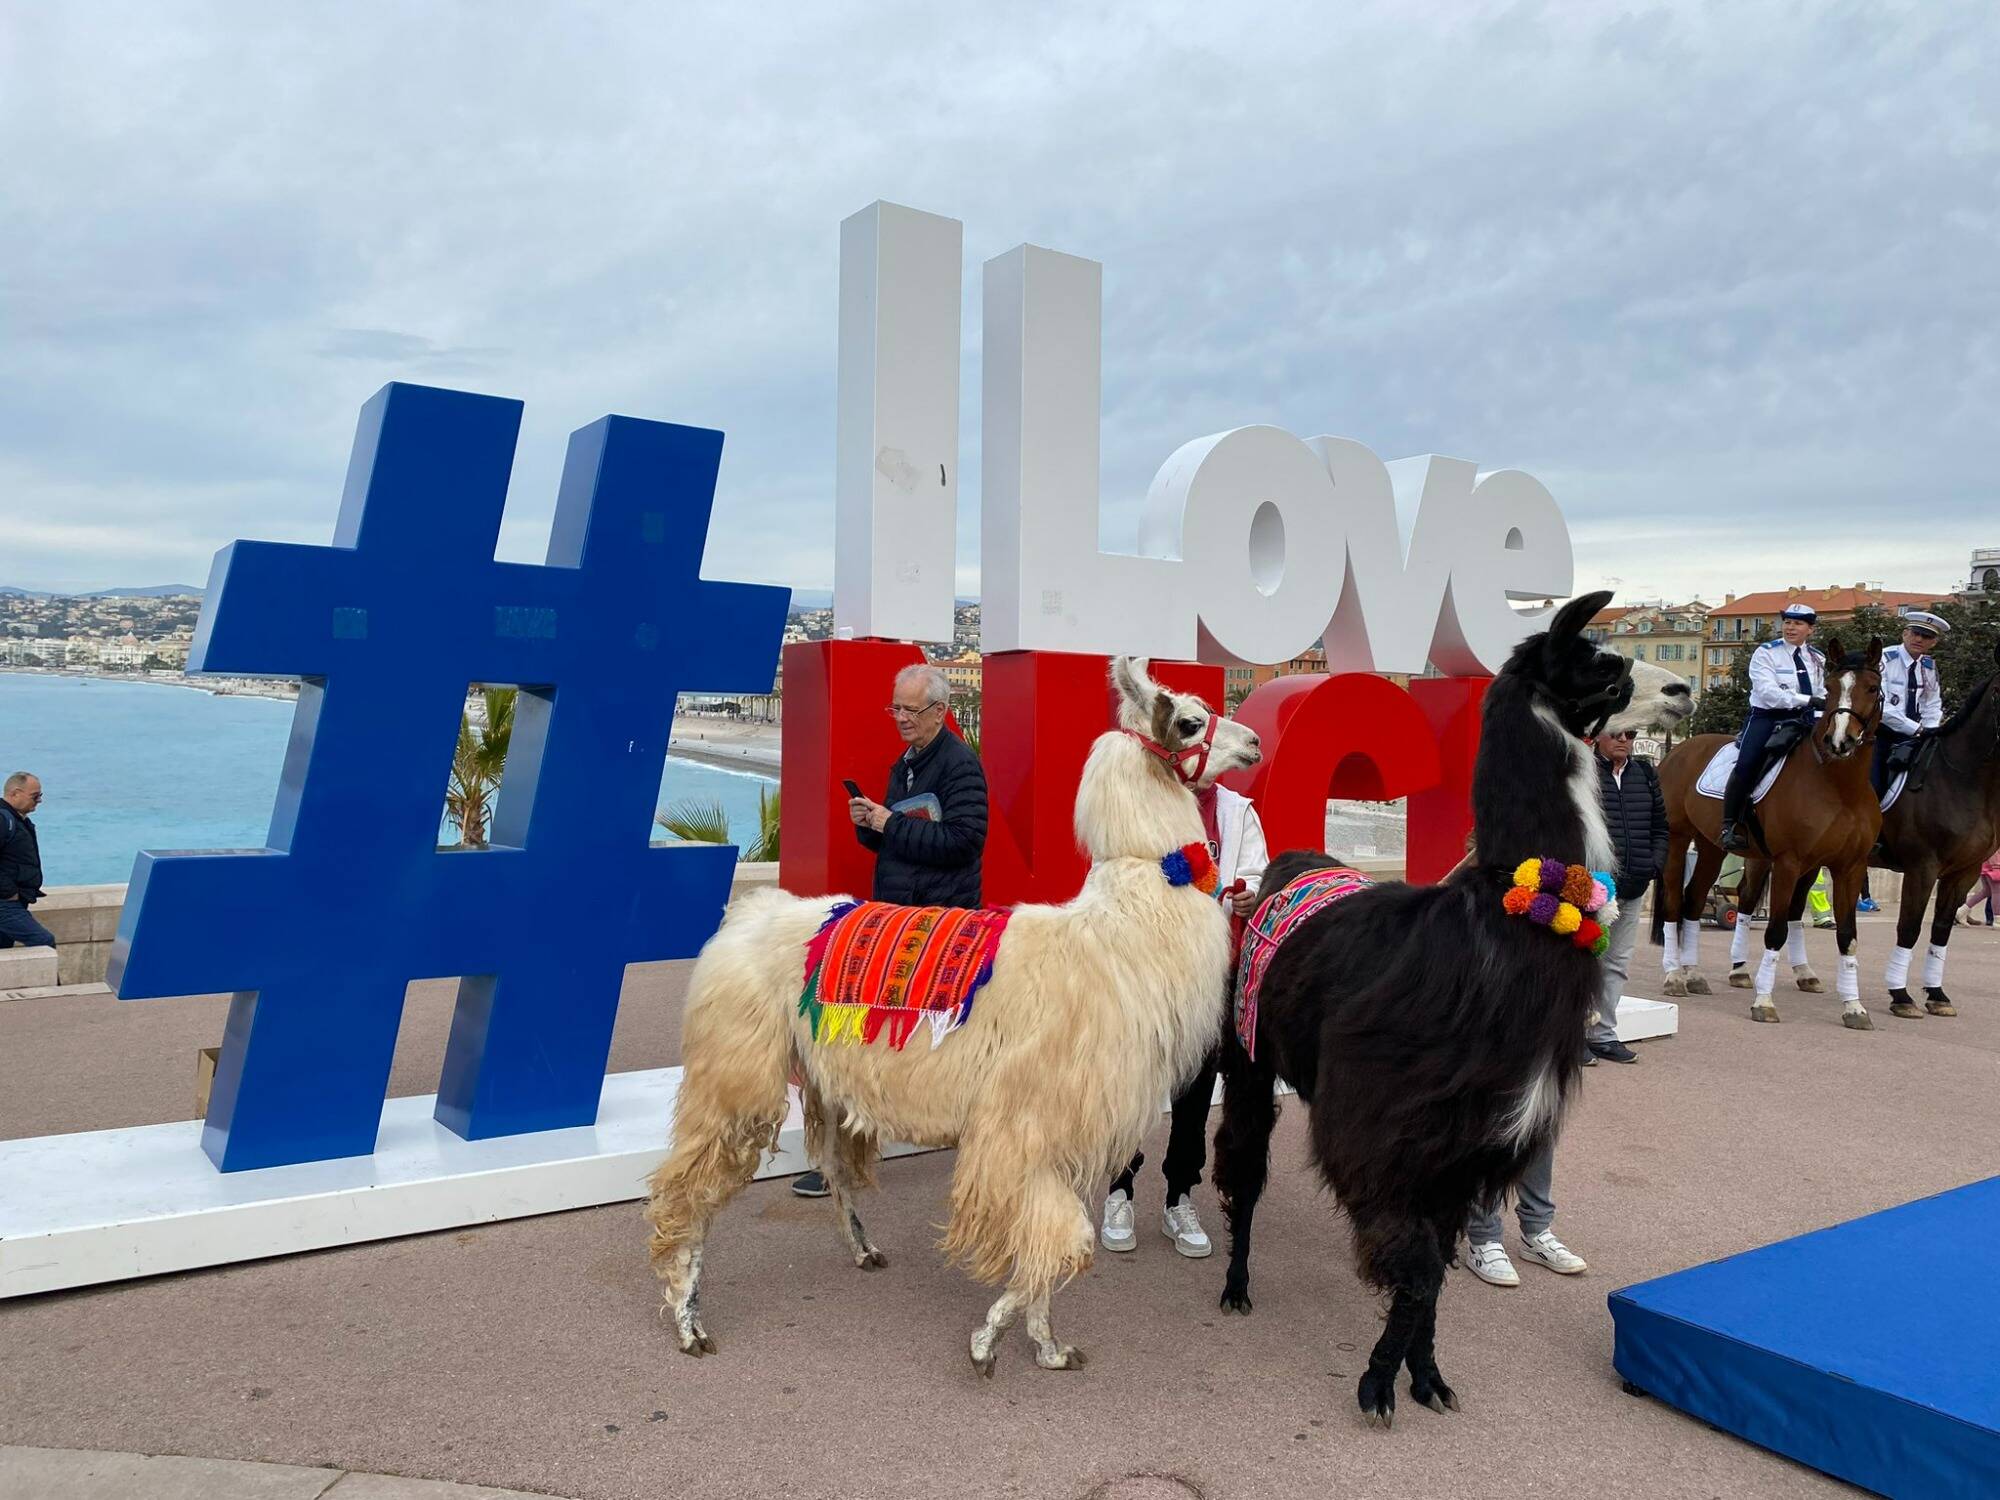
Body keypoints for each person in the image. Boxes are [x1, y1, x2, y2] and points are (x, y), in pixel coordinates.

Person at [795, 664, 989, 1197]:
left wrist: (888, 823)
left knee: (934, 1041)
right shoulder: (904, 764)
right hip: (898, 920)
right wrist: (871, 827)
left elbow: (965, 842)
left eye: (909, 709)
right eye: (895, 708)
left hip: (941, 928)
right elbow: (900, 840)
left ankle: (958, 1135)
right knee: (873, 1034)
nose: (900, 719)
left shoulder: (960, 765)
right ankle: (850, 1149)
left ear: (939, 712)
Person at [1099, 774, 1266, 1258]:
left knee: (1194, 1091)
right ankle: (1119, 1191)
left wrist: (1249, 891)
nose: (1201, 767)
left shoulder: (1236, 810)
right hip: (1145, 973)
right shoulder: (1139, 800)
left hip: (1208, 973)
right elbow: (1105, 873)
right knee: (1131, 1085)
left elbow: (1257, 870)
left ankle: (1179, 1197)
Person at [1584, 729, 1665, 1064]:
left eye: (1629, 734)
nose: (1623, 740)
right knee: (1583, 964)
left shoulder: (1645, 774)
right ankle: (1572, 1036)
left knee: (1616, 963)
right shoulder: (1584, 773)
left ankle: (1603, 1035)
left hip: (1633, 885)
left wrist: (1653, 865)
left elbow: (1660, 827)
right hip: (1594, 888)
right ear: (1598, 736)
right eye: (1615, 733)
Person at [1720, 603, 1825, 853]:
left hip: (1807, 719)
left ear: (1810, 629)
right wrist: (1807, 700)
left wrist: (1821, 714)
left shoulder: (1818, 658)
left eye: (1798, 623)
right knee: (1747, 764)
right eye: (1787, 622)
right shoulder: (1766, 652)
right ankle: (1730, 825)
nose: (1790, 627)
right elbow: (1768, 693)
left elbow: (1822, 691)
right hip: (1768, 717)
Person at [1872, 610, 1947, 799]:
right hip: (1884, 733)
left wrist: (1931, 729)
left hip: (1919, 735)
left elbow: (1932, 703)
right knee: (1875, 787)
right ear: (1905, 633)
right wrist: (1917, 729)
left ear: (1933, 642)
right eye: (1915, 633)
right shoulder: (1884, 659)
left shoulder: (1928, 665)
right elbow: (1881, 706)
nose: (1919, 639)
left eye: (1926, 636)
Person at [0, 772, 54, 950]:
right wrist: (9, 892)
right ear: (15, 793)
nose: (39, 800)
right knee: (44, 942)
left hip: (15, 900)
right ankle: (50, 980)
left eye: (40, 795)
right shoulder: (3, 820)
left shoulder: (18, 820)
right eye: (35, 796)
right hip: (5, 903)